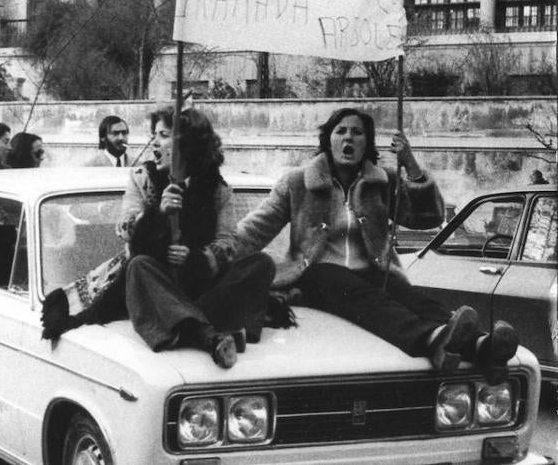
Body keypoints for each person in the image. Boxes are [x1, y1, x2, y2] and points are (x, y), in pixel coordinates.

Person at [231, 107, 519, 373]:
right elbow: (255, 230)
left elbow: (428, 218)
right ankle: (432, 339)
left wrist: (411, 165)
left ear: (366, 144)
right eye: (340, 131)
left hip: (372, 275)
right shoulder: (297, 182)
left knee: (411, 297)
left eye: (357, 133)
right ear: (328, 139)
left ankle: (481, 345)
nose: (348, 138)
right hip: (316, 278)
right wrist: (215, 257)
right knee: (345, 284)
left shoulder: (382, 182)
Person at [43, 108, 275, 369]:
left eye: (164, 135)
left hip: (200, 285)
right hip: (156, 280)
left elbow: (228, 243)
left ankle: (184, 321)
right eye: (154, 135)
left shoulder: (218, 190)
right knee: (138, 265)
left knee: (261, 264)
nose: (153, 142)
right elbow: (126, 229)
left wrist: (196, 259)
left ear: (188, 144)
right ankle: (205, 334)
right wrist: (158, 213)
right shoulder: (143, 179)